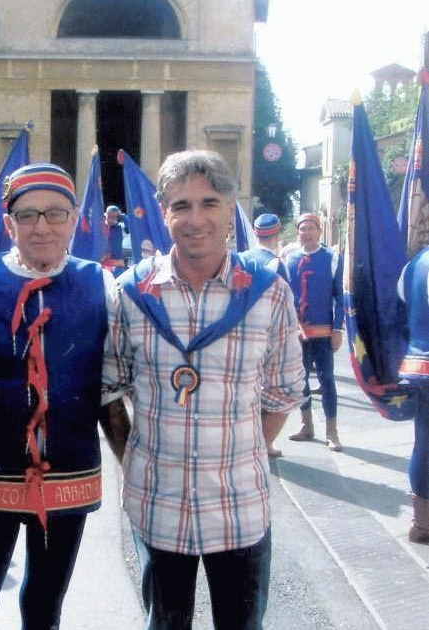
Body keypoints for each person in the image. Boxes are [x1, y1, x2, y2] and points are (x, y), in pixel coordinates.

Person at [100, 150, 304, 630]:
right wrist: (136, 461)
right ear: (162, 212)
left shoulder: (269, 292)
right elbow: (109, 392)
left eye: (209, 203)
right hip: (157, 506)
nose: (195, 219)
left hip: (239, 506)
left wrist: (238, 449)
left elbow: (282, 392)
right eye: (180, 205)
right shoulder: (130, 293)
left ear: (230, 208)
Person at [0, 163, 117, 630]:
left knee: (45, 602)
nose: (41, 226)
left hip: (69, 477)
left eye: (55, 214)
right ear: (8, 224)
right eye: (27, 215)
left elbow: (112, 390)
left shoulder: (100, 284)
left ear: (74, 219)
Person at [283, 212, 344, 452]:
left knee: (327, 380)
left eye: (310, 228)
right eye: (301, 229)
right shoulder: (289, 258)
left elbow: (340, 297)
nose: (305, 233)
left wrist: (337, 328)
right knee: (301, 381)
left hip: (323, 331)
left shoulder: (331, 258)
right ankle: (306, 425)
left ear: (319, 231)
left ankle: (332, 432)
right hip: (298, 332)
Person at [397, 249, 429, 544]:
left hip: (420, 365)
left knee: (424, 442)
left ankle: (421, 522)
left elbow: (401, 312)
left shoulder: (415, 263)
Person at [239, 212, 289, 283]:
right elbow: (285, 292)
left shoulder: (241, 257)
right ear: (277, 236)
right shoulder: (277, 263)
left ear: (256, 234)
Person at [101, 204, 129, 276]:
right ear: (105, 215)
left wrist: (123, 217)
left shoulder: (120, 228)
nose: (111, 219)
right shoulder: (100, 227)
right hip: (103, 263)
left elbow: (130, 229)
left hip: (117, 264)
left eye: (114, 217)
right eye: (109, 216)